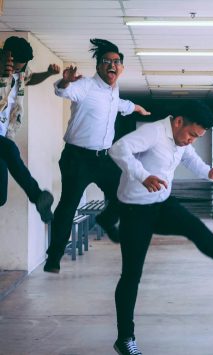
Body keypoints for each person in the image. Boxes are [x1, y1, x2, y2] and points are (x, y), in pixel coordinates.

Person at [109, 101, 213, 355]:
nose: (191, 141)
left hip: (162, 203)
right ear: (178, 122)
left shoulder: (180, 140)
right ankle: (125, 338)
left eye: (197, 137)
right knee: (132, 275)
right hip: (135, 211)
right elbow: (118, 149)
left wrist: (210, 172)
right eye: (191, 134)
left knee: (195, 227)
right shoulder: (153, 132)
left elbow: (190, 159)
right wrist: (143, 175)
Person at [44, 38, 150, 273]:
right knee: (68, 205)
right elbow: (62, 90)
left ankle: (106, 220)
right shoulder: (85, 86)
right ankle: (54, 257)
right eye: (107, 61)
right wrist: (65, 81)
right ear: (99, 67)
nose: (112, 65)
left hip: (102, 159)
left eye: (116, 62)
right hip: (77, 158)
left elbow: (119, 104)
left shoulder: (114, 91)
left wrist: (137, 108)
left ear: (121, 68)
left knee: (124, 194)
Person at [0, 36, 60, 222]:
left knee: (1, 197)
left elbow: (30, 79)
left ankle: (39, 198)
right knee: (10, 149)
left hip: (3, 135)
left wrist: (49, 74)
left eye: (22, 67)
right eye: (17, 67)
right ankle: (38, 196)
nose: (19, 71)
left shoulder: (21, 74)